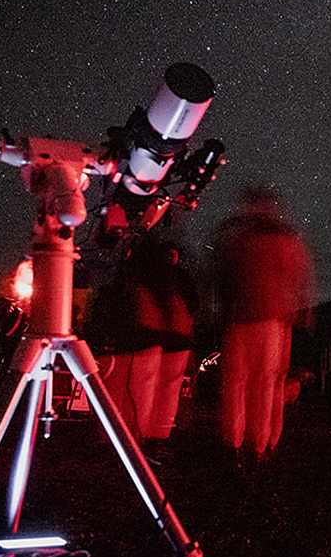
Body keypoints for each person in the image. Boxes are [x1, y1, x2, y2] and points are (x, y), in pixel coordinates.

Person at [210, 186, 314, 463]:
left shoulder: (246, 238)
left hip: (263, 318)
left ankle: (251, 442)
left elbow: (222, 274)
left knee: (252, 382)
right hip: (259, 318)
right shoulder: (254, 238)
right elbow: (298, 276)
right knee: (255, 382)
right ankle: (252, 442)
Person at [89, 235, 198, 448]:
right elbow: (192, 303)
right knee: (167, 392)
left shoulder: (137, 278)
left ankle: (137, 439)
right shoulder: (175, 278)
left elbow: (124, 307)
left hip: (148, 338)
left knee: (141, 392)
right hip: (176, 337)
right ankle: (157, 439)